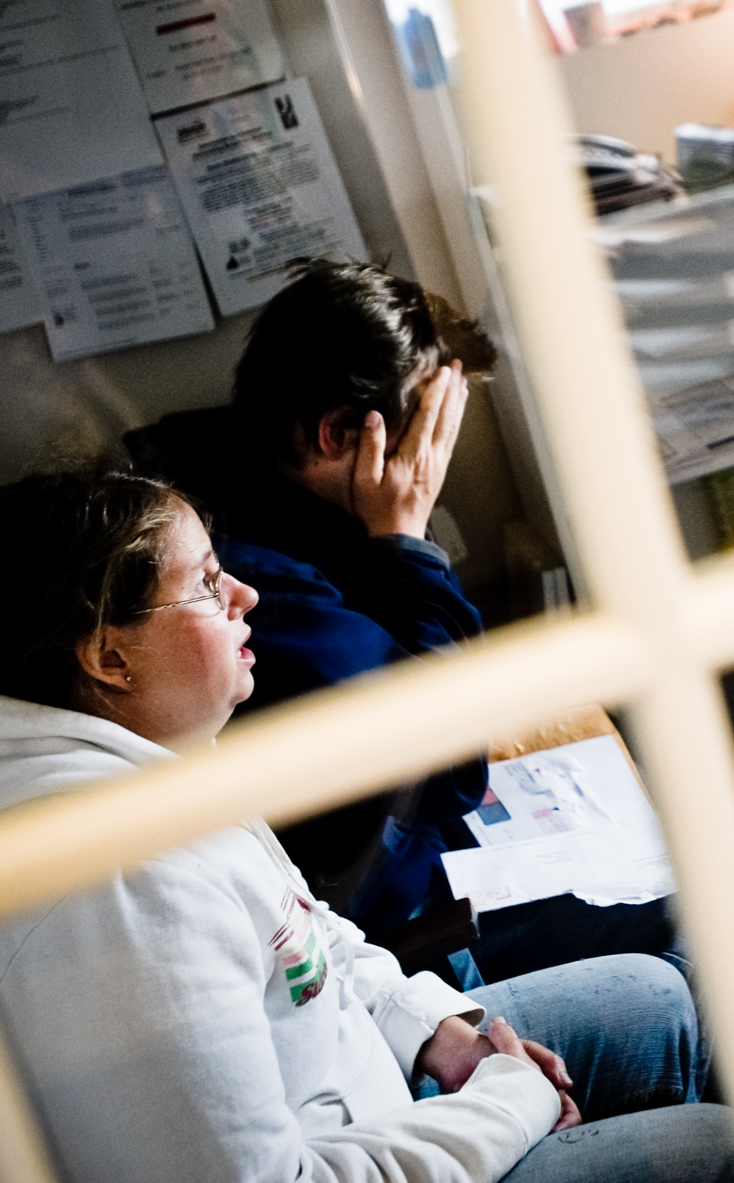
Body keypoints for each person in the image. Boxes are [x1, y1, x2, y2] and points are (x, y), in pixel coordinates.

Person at [0, 469, 734, 1183]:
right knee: (729, 1147)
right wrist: (508, 1099)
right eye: (205, 583)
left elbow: (308, 932)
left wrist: (436, 1033)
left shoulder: (127, 749)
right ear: (109, 657)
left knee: (654, 994)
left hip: (364, 1080)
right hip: (349, 1149)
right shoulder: (120, 892)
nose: (245, 594)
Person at [130, 261, 683, 986]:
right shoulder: (266, 594)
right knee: (679, 912)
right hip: (391, 931)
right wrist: (403, 535)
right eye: (427, 429)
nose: (434, 461)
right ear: (337, 435)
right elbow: (448, 764)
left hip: (394, 842)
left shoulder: (238, 471)